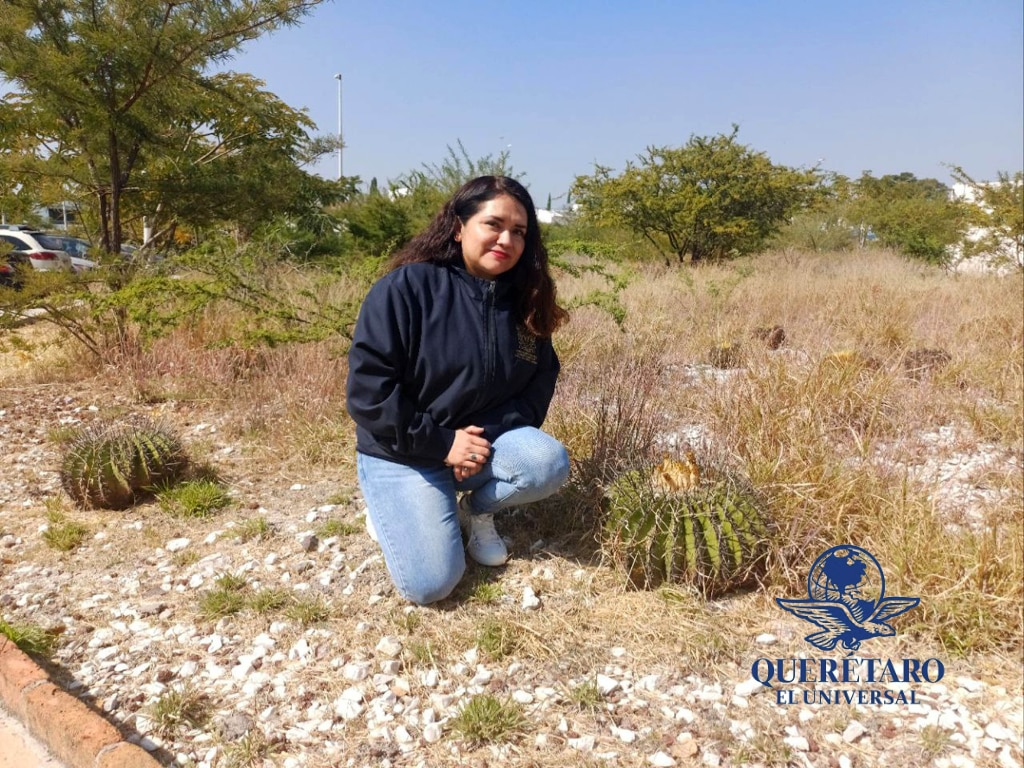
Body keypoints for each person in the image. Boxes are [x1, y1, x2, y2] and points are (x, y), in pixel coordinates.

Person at [346, 175, 571, 605]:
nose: (506, 239)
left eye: (519, 231)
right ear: (458, 227)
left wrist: (477, 441)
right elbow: (368, 393)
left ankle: (476, 512)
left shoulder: (526, 301)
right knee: (430, 584)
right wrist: (443, 443)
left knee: (546, 462)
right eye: (494, 224)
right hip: (402, 449)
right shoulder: (406, 289)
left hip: (478, 444)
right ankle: (389, 504)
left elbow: (539, 384)